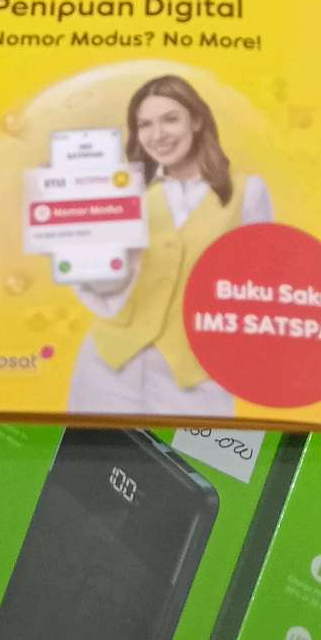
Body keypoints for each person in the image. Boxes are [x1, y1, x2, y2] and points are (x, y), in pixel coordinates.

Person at [67, 75, 272, 420]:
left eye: (170, 119)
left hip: (196, 380)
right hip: (107, 366)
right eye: (145, 124)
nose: (157, 134)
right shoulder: (126, 189)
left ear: (197, 120)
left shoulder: (247, 192)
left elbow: (259, 289)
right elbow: (96, 283)